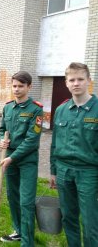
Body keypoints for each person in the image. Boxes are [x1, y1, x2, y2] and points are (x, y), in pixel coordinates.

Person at [50, 62, 98, 247]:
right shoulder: (62, 110)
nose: (76, 83)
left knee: (90, 221)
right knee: (68, 218)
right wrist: (54, 171)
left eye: (80, 79)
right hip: (63, 172)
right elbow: (54, 143)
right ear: (66, 83)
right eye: (72, 80)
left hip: (88, 172)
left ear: (89, 81)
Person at [0, 71, 43, 246]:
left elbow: (32, 140)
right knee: (12, 196)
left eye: (20, 86)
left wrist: (12, 158)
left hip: (26, 160)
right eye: (14, 86)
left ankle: (28, 241)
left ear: (29, 87)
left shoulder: (36, 109)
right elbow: (2, 128)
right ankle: (19, 230)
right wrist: (1, 140)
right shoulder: (8, 107)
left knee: (26, 200)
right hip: (8, 157)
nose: (16, 89)